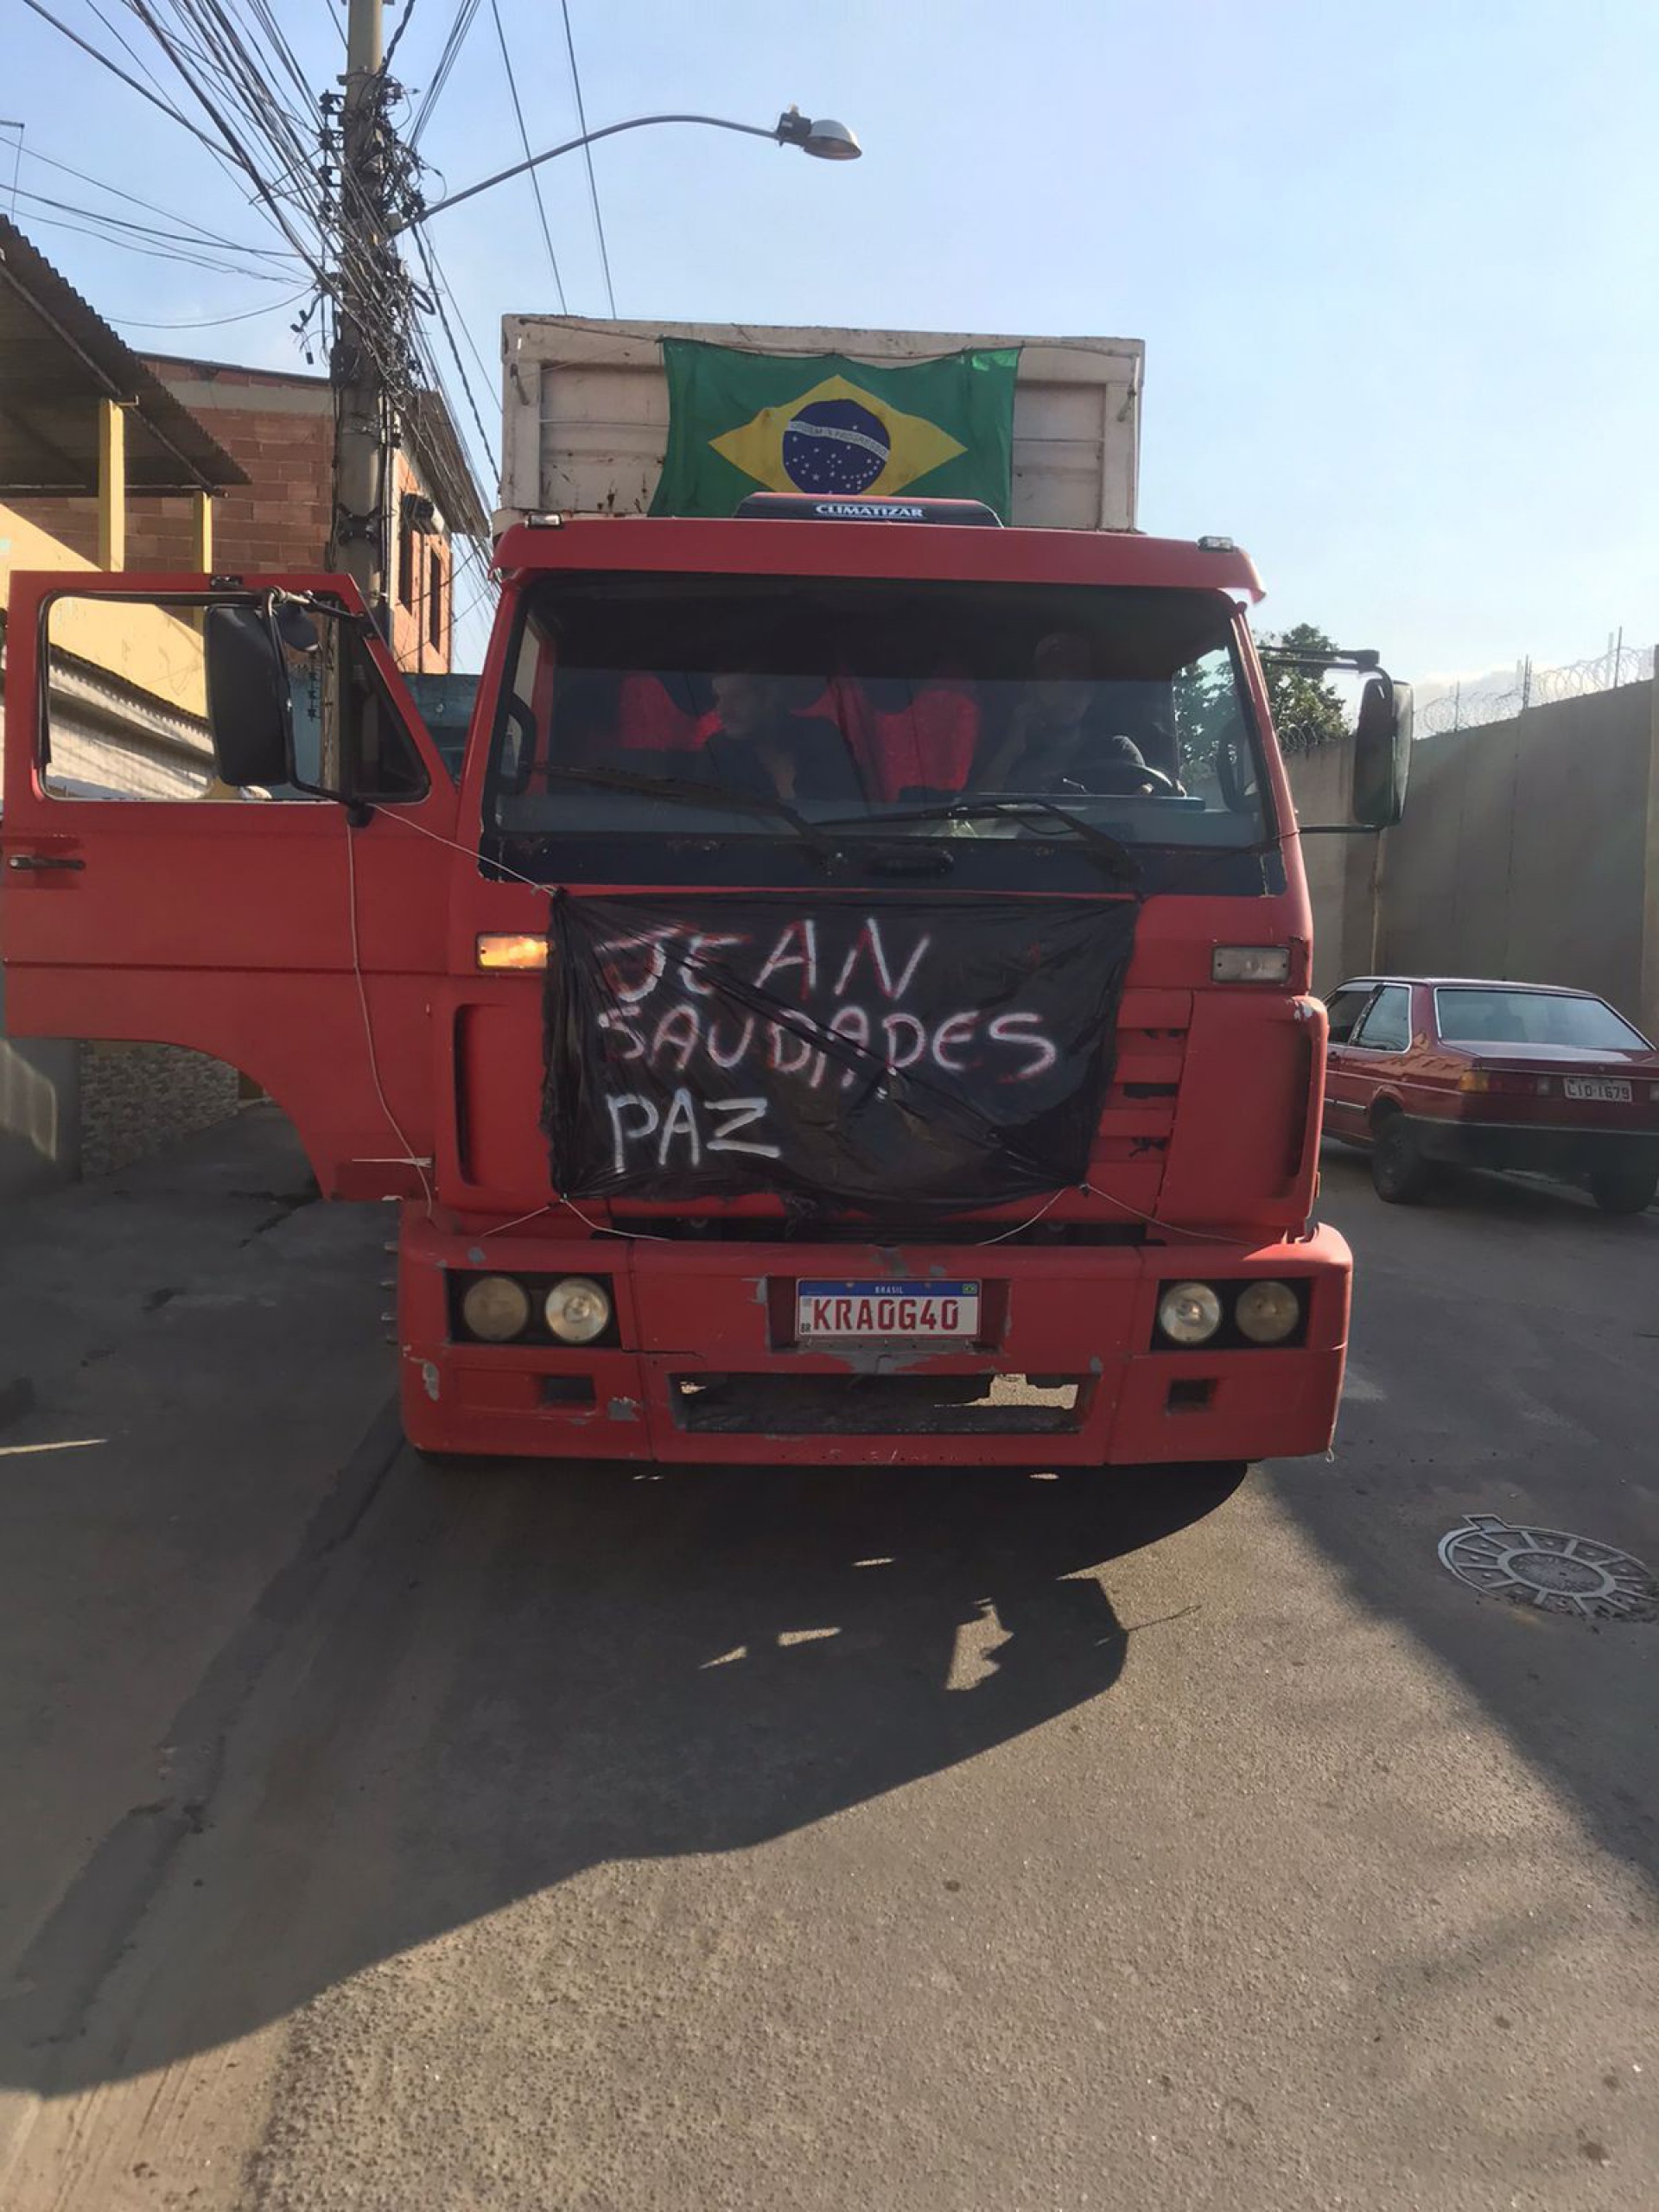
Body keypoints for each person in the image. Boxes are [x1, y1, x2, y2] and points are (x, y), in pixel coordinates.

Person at [977, 631, 1168, 796]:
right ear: (1031, 689)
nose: (1068, 691)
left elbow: (1140, 817)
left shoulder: (1117, 751)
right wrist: (1010, 750)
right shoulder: (1007, 753)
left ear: (1092, 693)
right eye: (1054, 679)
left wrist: (1147, 794)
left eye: (1079, 681)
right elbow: (971, 822)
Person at [701, 672, 866, 805]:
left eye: (736, 697)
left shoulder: (821, 738)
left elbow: (849, 809)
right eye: (718, 699)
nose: (722, 711)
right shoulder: (718, 754)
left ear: (771, 696)